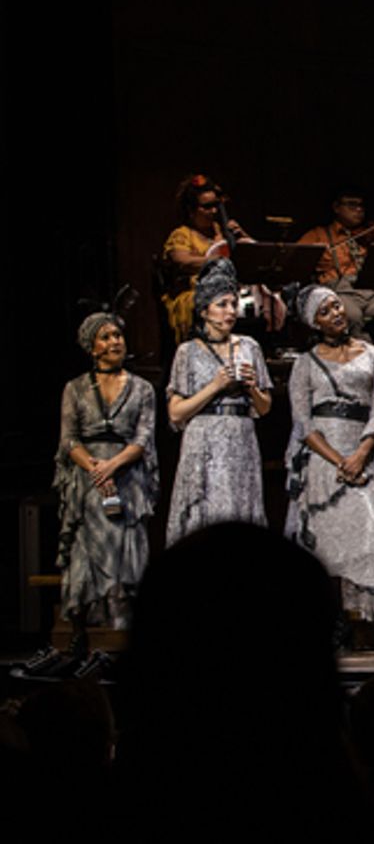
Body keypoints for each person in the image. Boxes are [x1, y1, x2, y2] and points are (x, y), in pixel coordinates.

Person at [284, 285, 374, 661]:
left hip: (362, 457)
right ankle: (335, 632)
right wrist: (339, 460)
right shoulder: (304, 364)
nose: (336, 313)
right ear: (314, 322)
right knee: (324, 553)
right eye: (325, 311)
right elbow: (303, 424)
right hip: (323, 464)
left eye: (336, 305)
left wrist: (360, 454)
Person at [49, 313, 159, 660]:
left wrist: (113, 465)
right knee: (85, 553)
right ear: (91, 346)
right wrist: (95, 468)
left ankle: (126, 639)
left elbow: (143, 438)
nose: (115, 342)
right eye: (106, 337)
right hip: (89, 478)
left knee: (129, 552)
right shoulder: (75, 388)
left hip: (126, 475)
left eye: (118, 336)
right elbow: (68, 438)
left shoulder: (142, 388)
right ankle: (81, 634)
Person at [165, 258, 273, 543]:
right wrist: (214, 386)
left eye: (233, 303)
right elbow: (176, 414)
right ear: (204, 310)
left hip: (242, 438)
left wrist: (251, 388)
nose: (230, 311)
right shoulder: (187, 352)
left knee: (241, 511)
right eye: (221, 304)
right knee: (207, 513)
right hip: (203, 440)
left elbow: (264, 408)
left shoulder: (250, 346)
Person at [160, 174, 283, 342]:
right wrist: (218, 261)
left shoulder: (222, 230)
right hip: (196, 293)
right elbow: (182, 261)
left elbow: (252, 258)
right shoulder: (182, 234)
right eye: (207, 207)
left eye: (216, 205)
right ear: (191, 209)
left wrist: (242, 238)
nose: (214, 211)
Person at [296, 187, 374, 338]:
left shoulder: (366, 235)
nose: (359, 210)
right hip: (338, 291)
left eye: (361, 206)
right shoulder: (318, 235)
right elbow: (295, 259)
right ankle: (362, 355)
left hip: (368, 291)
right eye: (352, 205)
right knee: (352, 316)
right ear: (336, 208)